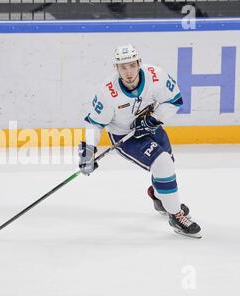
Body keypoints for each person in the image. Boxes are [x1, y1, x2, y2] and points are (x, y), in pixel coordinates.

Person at [78, 44, 201, 238]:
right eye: (123, 67)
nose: (128, 72)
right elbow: (95, 124)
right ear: (116, 69)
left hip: (152, 127)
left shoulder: (156, 76)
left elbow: (175, 100)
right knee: (163, 162)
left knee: (167, 165)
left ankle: (159, 197)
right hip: (126, 137)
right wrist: (88, 151)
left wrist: (154, 119)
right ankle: (176, 215)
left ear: (139, 64)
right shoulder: (107, 93)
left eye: (132, 66)